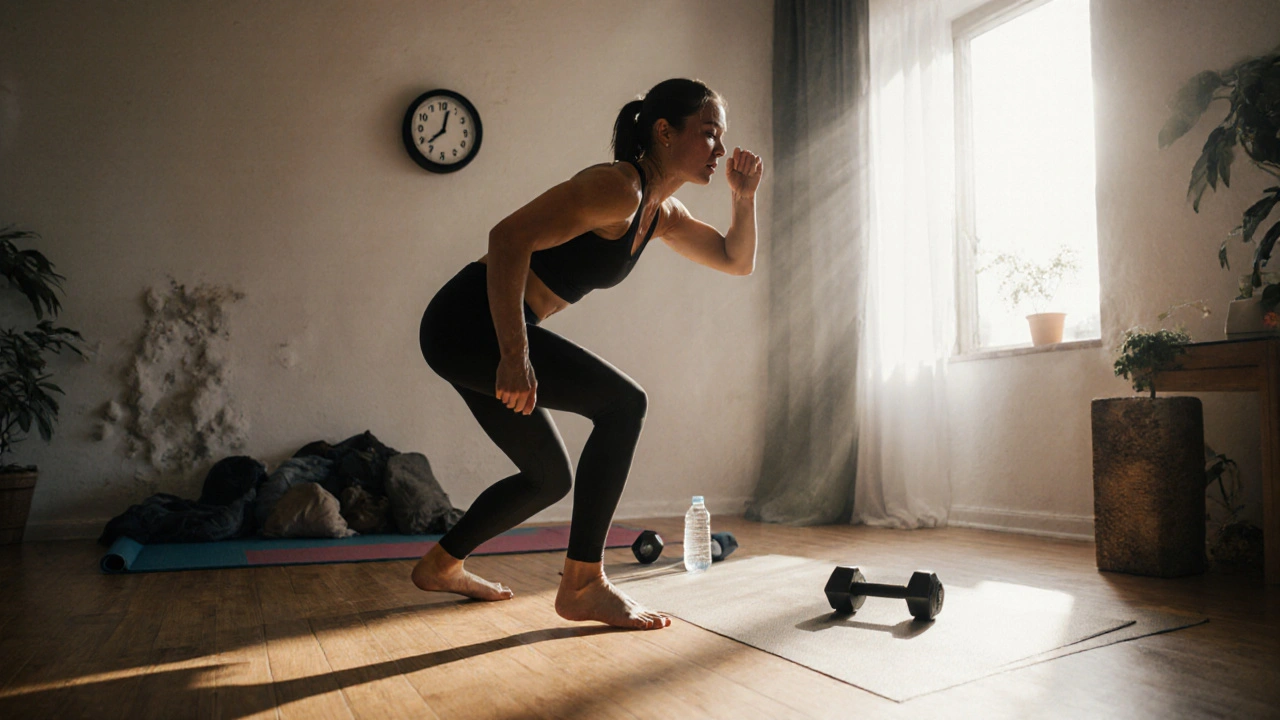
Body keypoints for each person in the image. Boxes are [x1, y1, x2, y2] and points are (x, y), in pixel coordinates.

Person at [413, 78, 764, 630]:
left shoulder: (659, 213)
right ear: (665, 132)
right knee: (624, 404)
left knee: (546, 478)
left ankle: (441, 564)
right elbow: (507, 238)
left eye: (722, 139)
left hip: (486, 327)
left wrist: (743, 200)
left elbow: (735, 259)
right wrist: (514, 353)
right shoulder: (618, 189)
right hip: (469, 321)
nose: (720, 150)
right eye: (710, 134)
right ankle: (583, 583)